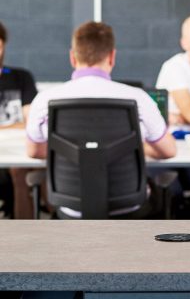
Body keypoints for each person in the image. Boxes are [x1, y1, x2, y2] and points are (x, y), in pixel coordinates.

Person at [25, 21, 176, 217]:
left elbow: (34, 151)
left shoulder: (44, 100)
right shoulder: (138, 98)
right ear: (112, 57)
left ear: (73, 57)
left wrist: (74, 150)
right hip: (129, 209)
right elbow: (168, 151)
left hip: (71, 210)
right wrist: (136, 146)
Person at [0, 22, 38, 219]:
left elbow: (30, 122)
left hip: (17, 150)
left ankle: (26, 233)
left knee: (20, 171)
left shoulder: (21, 78)